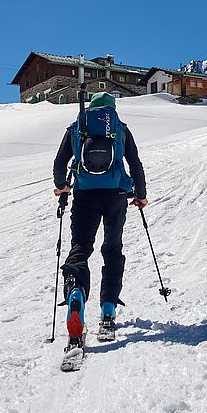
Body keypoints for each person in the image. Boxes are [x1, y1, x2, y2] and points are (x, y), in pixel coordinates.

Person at [53, 91, 148, 339]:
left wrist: (62, 186)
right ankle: (107, 310)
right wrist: (140, 194)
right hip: (116, 196)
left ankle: (76, 293)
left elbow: (59, 163)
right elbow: (135, 164)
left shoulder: (77, 127)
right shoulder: (120, 129)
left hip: (85, 195)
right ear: (112, 108)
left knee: (80, 248)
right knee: (113, 250)